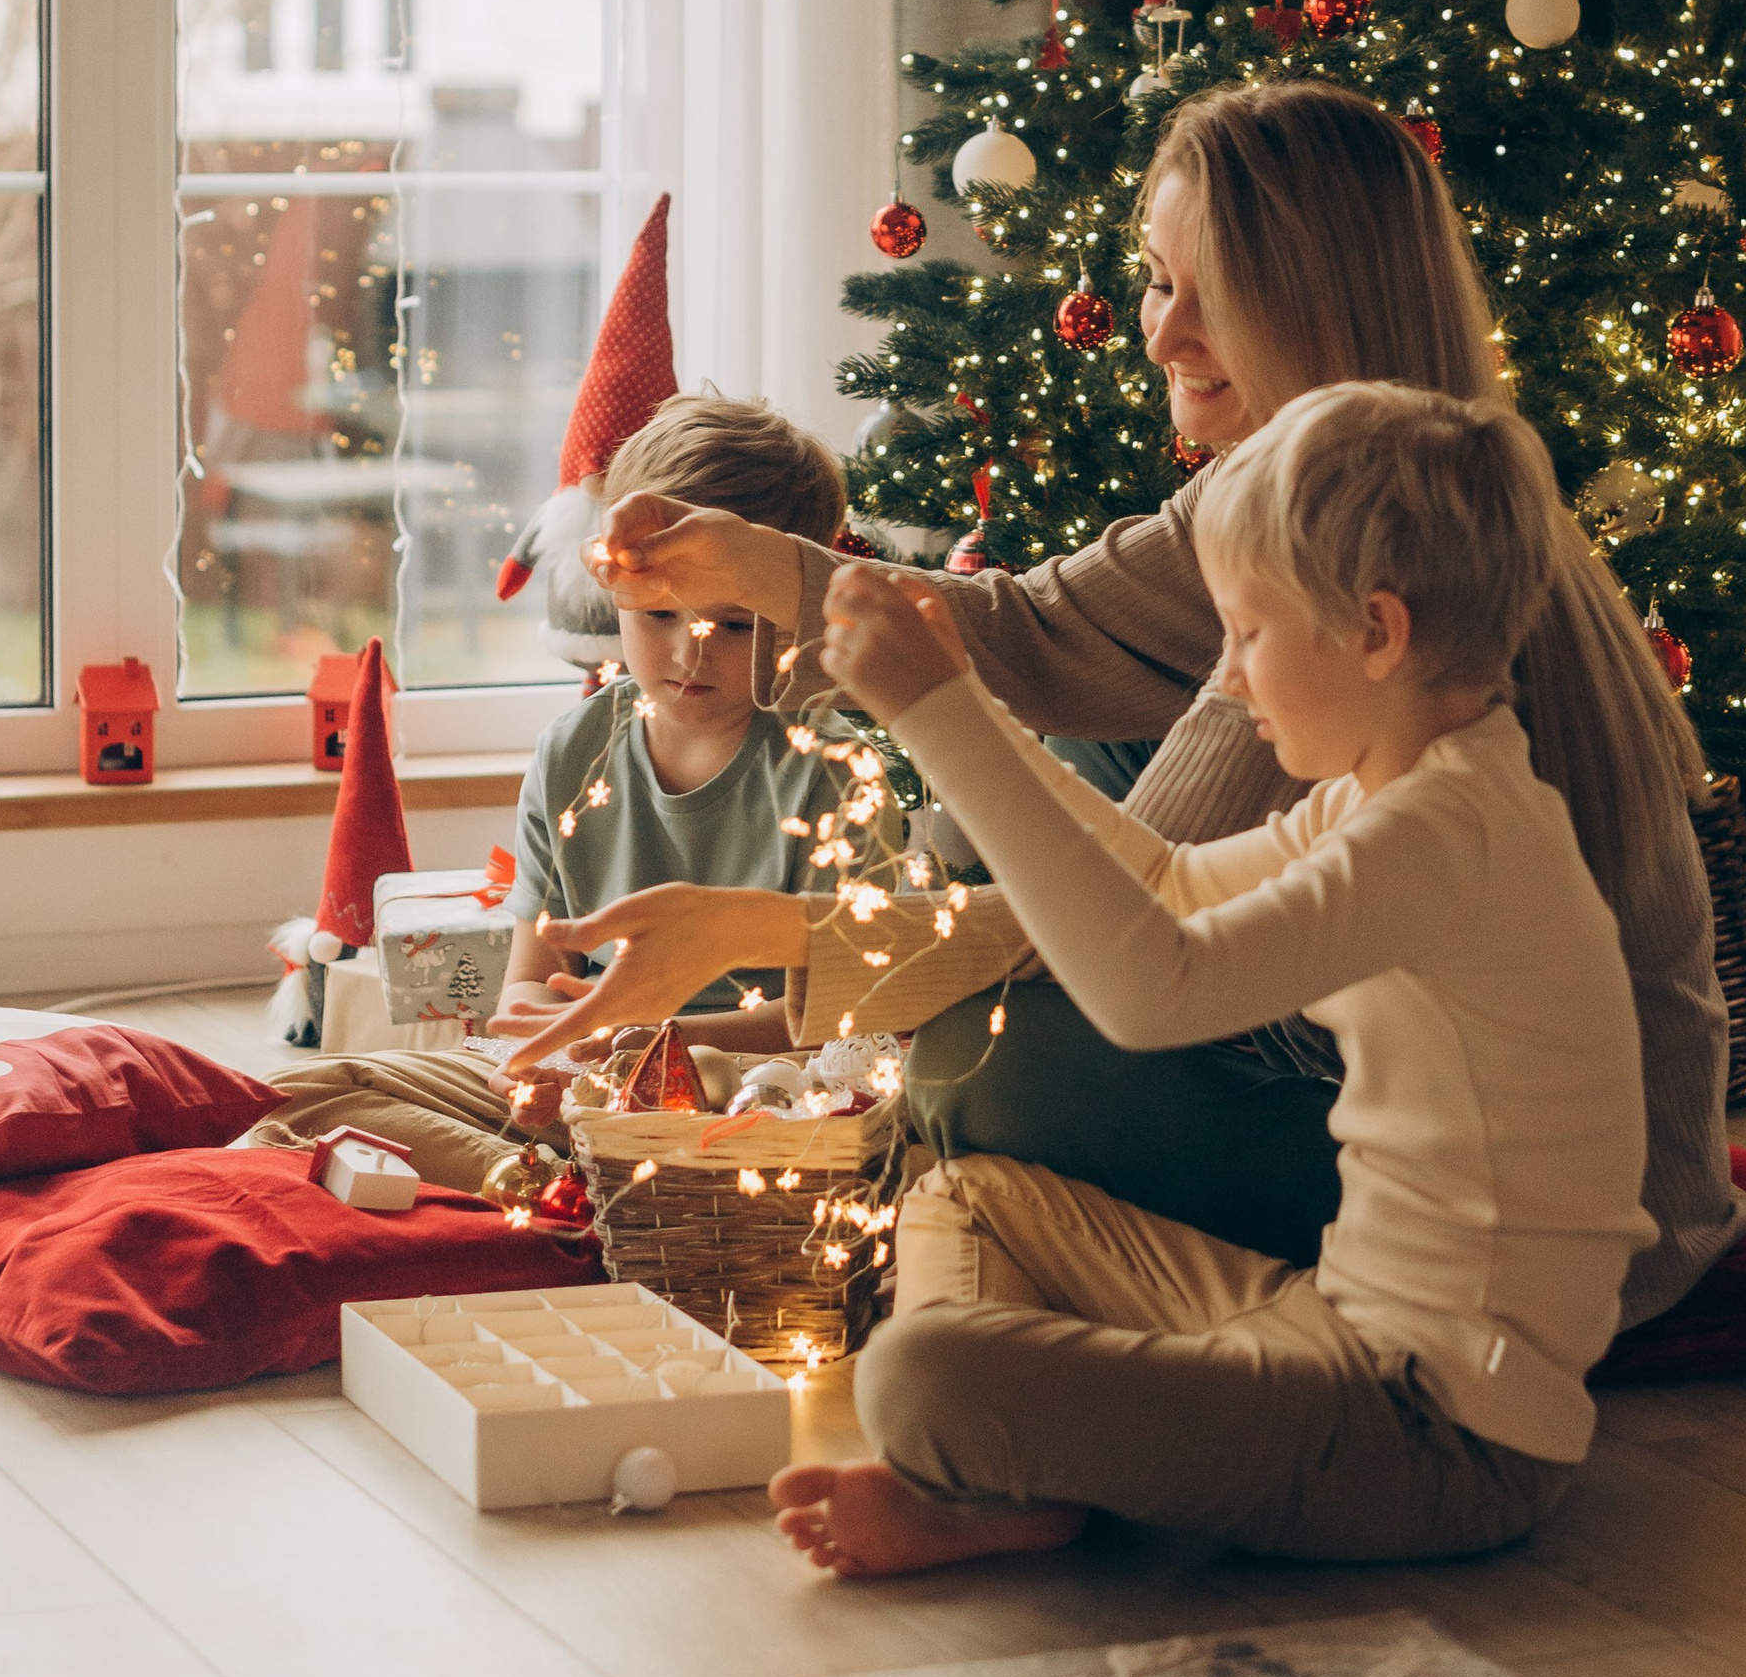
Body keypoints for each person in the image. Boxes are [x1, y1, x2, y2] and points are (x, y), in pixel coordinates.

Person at [572, 83, 1746, 1330]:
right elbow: (1039, 631)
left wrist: (763, 970)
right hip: (1405, 1086)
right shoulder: (1320, 485)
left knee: (986, 1059)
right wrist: (756, 560)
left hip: (1543, 1242)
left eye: (1211, 296)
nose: (1162, 335)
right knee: (1066, 735)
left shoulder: (1351, 583)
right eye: (1153, 282)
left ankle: (1208, 1314)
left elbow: (1129, 924)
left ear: (1319, 310)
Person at [510, 384, 1655, 1573]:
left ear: (1375, 632)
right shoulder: (1404, 797)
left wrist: (938, 709)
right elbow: (1156, 880)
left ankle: (1001, 1458)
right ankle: (1011, 1478)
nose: (1235, 681)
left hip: (1440, 1430)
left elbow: (1151, 988)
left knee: (914, 1371)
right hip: (1335, 1323)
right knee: (965, 1196)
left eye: (1250, 636)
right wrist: (951, 718)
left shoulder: (1441, 835)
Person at [241, 393, 844, 1194]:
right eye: (660, 612)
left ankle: (562, 1189)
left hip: (742, 1094)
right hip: (588, 1071)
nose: (689, 651)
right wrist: (539, 1052)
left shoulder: (826, 770)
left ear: (794, 609)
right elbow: (530, 975)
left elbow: (826, 1028)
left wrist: (647, 1043)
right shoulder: (575, 750)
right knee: (294, 1097)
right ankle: (539, 1184)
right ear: (616, 587)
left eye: (734, 625)